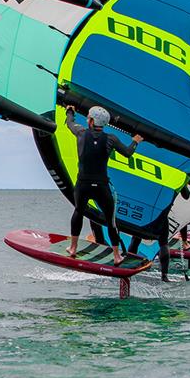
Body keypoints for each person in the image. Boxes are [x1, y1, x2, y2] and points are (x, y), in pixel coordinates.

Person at [64, 105, 143, 266]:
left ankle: (73, 248)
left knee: (79, 212)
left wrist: (70, 111)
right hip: (101, 186)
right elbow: (128, 153)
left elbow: (69, 123)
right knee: (110, 221)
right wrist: (135, 141)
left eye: (88, 117)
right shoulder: (111, 139)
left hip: (83, 184)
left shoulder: (81, 132)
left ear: (91, 120)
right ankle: (116, 256)